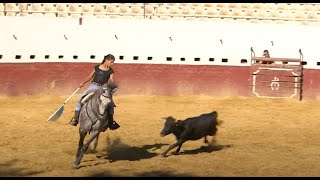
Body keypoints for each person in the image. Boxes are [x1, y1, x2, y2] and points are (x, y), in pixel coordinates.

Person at [69, 54, 120, 130]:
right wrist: (83, 82)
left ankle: (111, 122)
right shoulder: (97, 67)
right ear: (107, 60)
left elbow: (112, 80)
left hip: (103, 89)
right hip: (93, 86)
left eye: (113, 62)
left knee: (111, 104)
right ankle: (75, 119)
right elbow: (90, 77)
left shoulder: (110, 71)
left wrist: (113, 86)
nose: (112, 64)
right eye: (111, 62)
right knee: (80, 100)